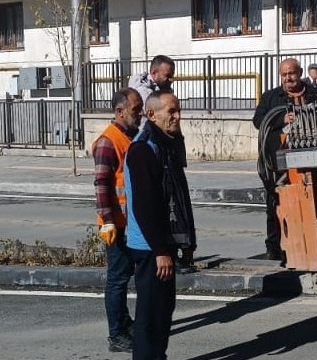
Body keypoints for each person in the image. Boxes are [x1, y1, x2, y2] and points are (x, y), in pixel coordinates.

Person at [124, 91, 194, 360]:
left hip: (164, 243)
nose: (177, 116)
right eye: (171, 111)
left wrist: (187, 243)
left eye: (178, 110)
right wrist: (161, 251)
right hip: (150, 246)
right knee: (150, 317)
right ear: (151, 115)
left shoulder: (167, 144)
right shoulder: (144, 148)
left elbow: (179, 196)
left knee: (164, 311)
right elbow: (145, 206)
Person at [252, 58, 317, 261]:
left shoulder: (315, 95)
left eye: (291, 74)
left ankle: (310, 246)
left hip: (308, 161)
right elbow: (258, 121)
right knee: (275, 204)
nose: (288, 78)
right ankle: (274, 247)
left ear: (300, 72)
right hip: (277, 161)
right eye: (284, 75)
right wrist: (281, 119)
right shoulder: (270, 97)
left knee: (311, 203)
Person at [92, 88, 143, 353]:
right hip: (116, 224)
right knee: (117, 279)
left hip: (128, 222)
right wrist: (108, 221)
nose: (140, 114)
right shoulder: (108, 142)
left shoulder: (130, 136)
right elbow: (101, 183)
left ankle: (124, 322)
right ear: (119, 111)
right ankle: (116, 335)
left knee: (123, 277)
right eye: (136, 110)